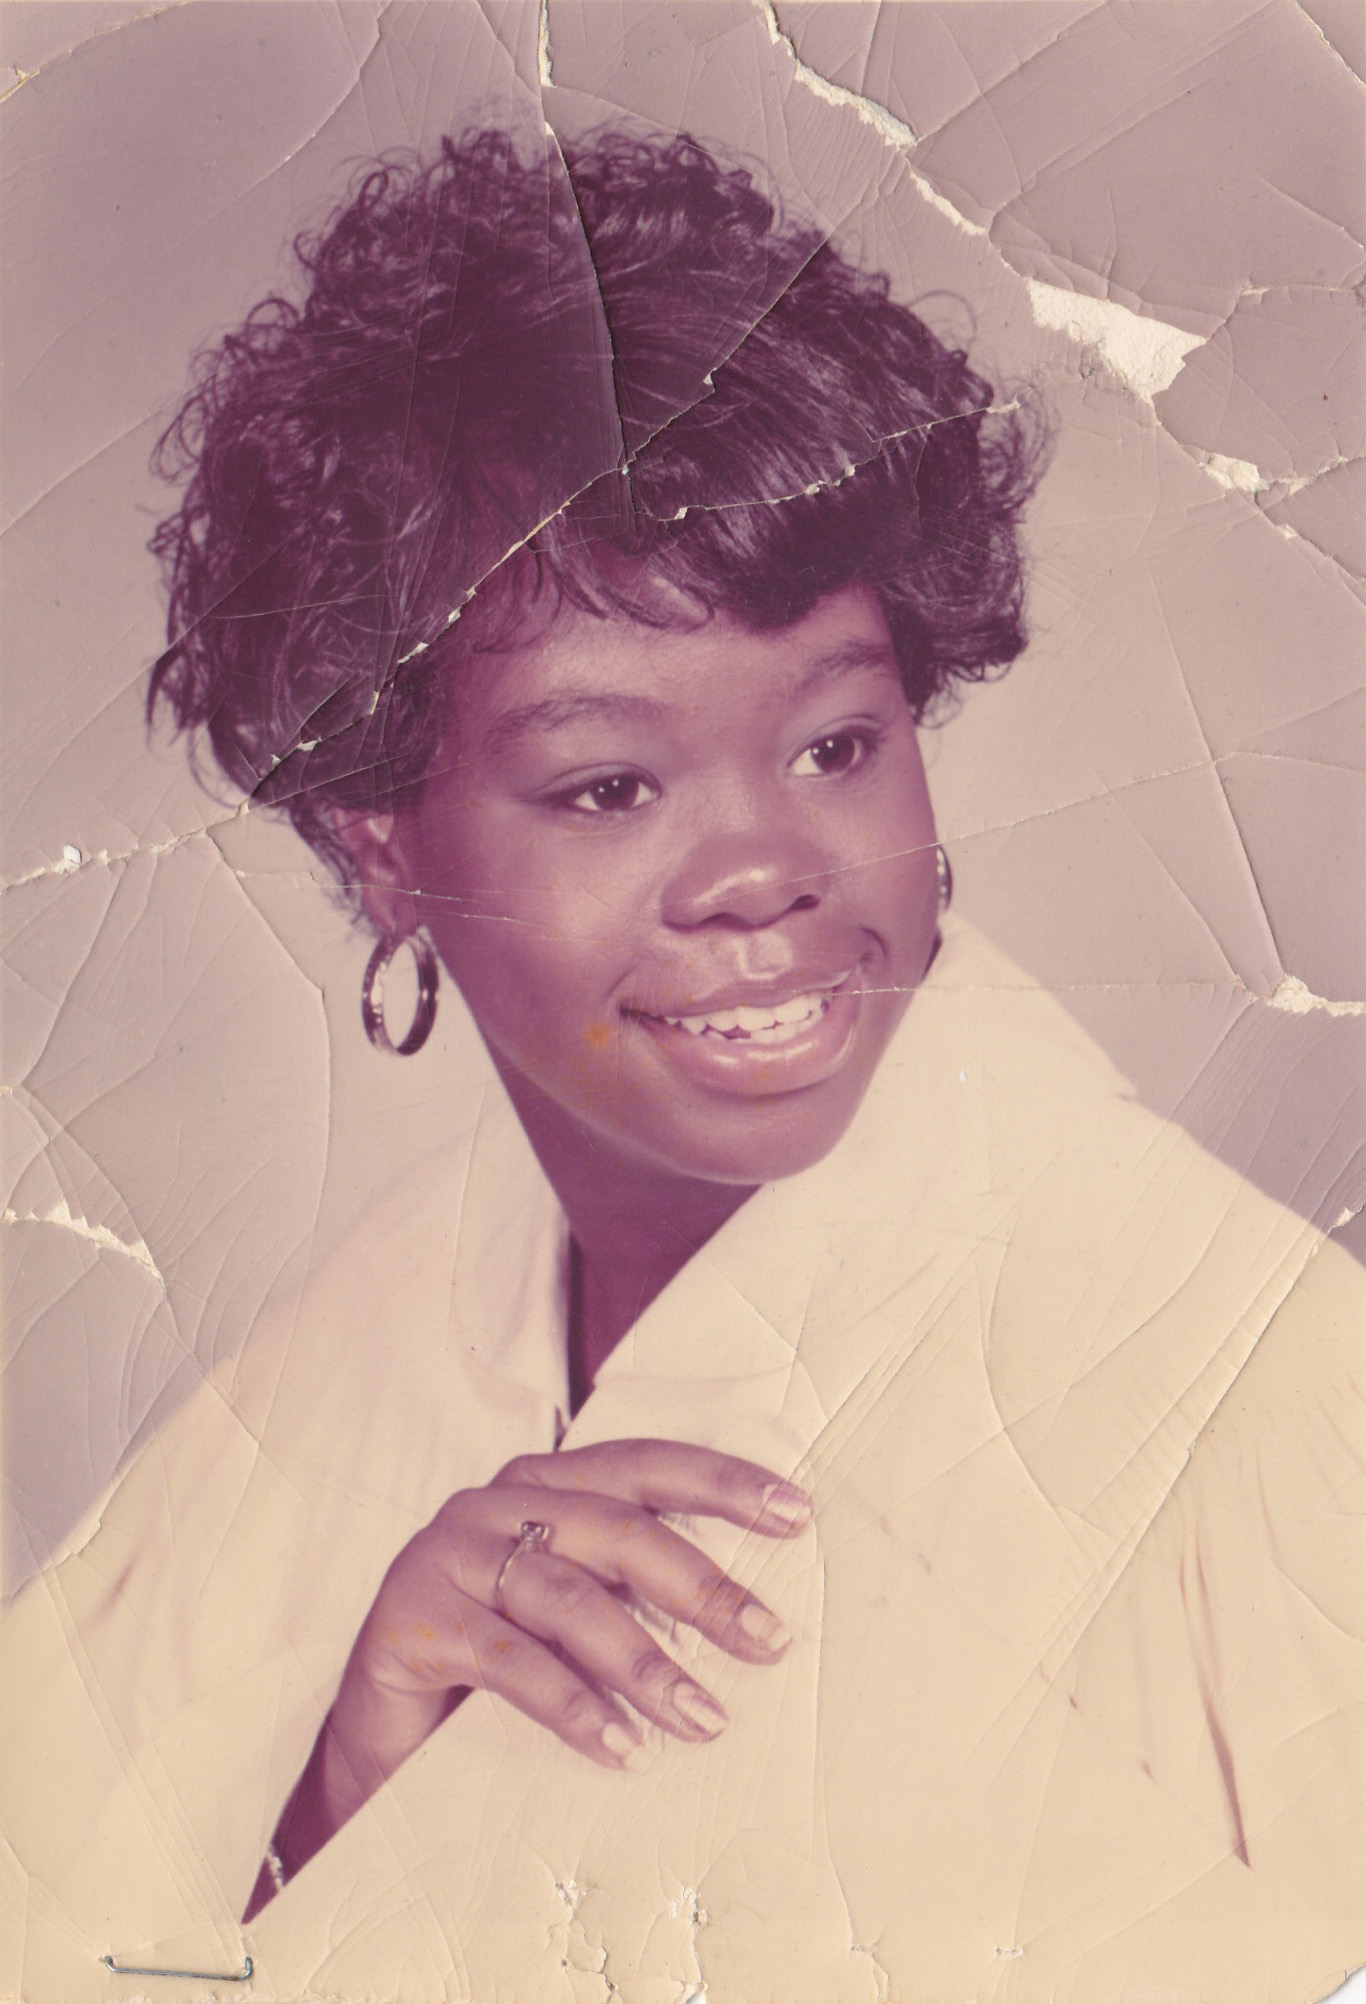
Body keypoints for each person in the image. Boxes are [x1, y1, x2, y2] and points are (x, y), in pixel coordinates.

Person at [1, 126, 1362, 2004]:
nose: (761, 871)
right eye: (608, 787)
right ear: (381, 844)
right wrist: (346, 1787)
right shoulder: (344, 1360)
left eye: (834, 746)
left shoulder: (1268, 1393)